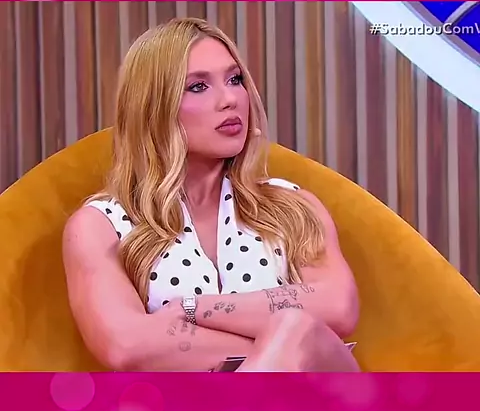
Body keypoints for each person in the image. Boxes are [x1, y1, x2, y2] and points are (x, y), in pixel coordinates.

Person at [63, 18, 360, 373]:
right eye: (198, 86)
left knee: (295, 328)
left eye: (235, 80)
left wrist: (190, 309)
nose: (230, 99)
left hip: (314, 401)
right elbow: (124, 345)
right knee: (294, 332)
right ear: (153, 107)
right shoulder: (101, 225)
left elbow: (338, 306)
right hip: (187, 407)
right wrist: (283, 347)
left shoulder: (293, 206)